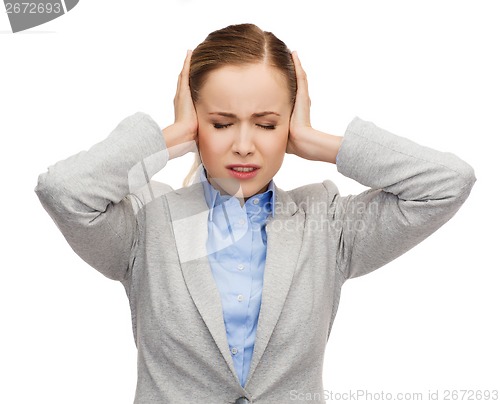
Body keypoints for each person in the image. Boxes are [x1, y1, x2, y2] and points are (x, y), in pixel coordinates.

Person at [34, 23, 476, 404]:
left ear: (288, 122)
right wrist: (170, 136)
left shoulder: (327, 225)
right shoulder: (145, 225)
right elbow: (64, 191)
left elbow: (446, 183)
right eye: (220, 123)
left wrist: (317, 140)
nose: (244, 145)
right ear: (195, 121)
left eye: (266, 124)